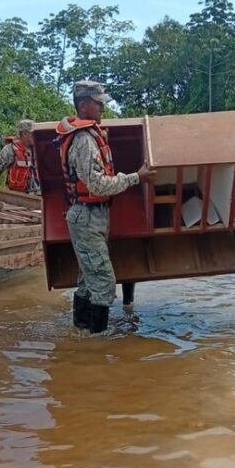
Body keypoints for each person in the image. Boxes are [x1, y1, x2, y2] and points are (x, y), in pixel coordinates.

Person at [54, 80, 155, 334]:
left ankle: (82, 335)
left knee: (88, 280)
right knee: (104, 283)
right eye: (99, 103)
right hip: (86, 217)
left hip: (91, 216)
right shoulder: (85, 140)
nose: (103, 108)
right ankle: (97, 347)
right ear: (84, 105)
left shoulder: (88, 134)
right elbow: (97, 185)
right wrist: (136, 178)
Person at [0, 119, 40, 194]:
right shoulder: (10, 149)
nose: (37, 136)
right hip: (18, 196)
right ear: (25, 133)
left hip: (37, 196)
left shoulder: (39, 149)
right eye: (34, 133)